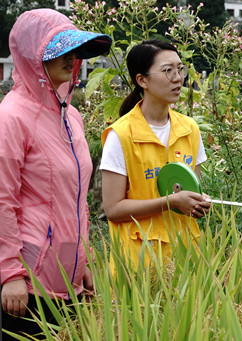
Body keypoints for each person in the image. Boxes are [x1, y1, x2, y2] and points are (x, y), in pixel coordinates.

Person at [0, 8, 112, 340]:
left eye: (74, 50)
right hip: (27, 281)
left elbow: (74, 196)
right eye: (59, 50)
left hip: (68, 274)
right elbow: (2, 200)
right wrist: (8, 274)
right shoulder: (11, 117)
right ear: (32, 56)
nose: (71, 58)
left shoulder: (70, 115)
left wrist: (84, 263)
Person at [100, 40, 211, 271]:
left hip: (186, 258)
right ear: (142, 80)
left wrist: (198, 204)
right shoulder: (121, 135)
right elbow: (112, 209)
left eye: (180, 69)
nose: (178, 78)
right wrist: (170, 202)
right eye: (167, 70)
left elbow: (192, 190)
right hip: (138, 262)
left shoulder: (189, 129)